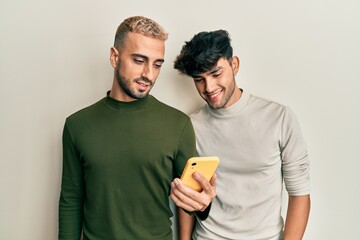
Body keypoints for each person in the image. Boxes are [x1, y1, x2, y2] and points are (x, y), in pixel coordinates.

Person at [58, 16, 216, 240]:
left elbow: (190, 201)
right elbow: (71, 200)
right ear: (115, 57)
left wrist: (203, 205)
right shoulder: (77, 125)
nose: (149, 75)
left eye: (157, 64)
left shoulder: (178, 124)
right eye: (139, 61)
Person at [171, 30, 311, 240]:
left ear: (234, 65)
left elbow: (299, 193)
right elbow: (187, 196)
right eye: (199, 79)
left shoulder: (279, 117)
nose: (209, 87)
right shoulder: (190, 125)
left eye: (216, 74)